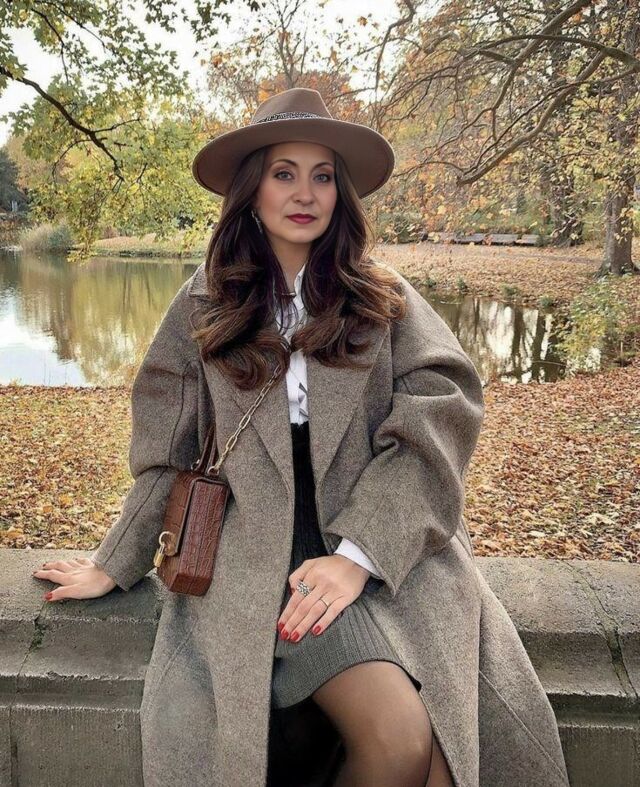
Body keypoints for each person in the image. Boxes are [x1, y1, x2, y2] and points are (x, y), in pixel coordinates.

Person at [32, 88, 570, 787]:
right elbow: (167, 450)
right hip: (260, 554)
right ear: (251, 187)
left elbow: (442, 412)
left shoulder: (382, 295)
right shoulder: (205, 301)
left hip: (383, 536)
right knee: (401, 743)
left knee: (442, 762)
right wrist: (116, 560)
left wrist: (359, 555)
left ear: (341, 192)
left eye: (322, 176)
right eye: (283, 173)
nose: (305, 193)